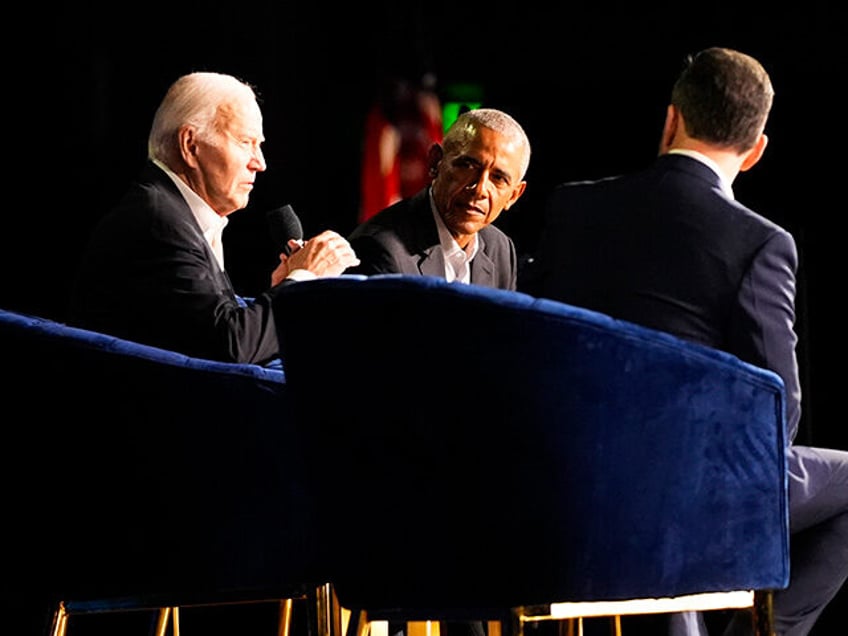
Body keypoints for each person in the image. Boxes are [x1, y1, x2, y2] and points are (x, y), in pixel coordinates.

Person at [520, 47, 848, 636]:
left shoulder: (575, 207)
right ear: (755, 152)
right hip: (686, 495)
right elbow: (780, 412)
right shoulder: (761, 243)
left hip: (564, 479)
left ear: (670, 120)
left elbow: (531, 339)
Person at [68, 71, 359, 366]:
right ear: (190, 146)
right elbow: (230, 346)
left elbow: (213, 331)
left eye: (259, 145)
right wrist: (302, 280)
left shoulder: (176, 213)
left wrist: (283, 290)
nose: (260, 163)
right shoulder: (158, 222)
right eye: (246, 142)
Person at [346, 107, 530, 291]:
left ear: (513, 195)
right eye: (467, 166)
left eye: (498, 178)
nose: (480, 189)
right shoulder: (380, 248)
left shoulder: (500, 248)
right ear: (435, 162)